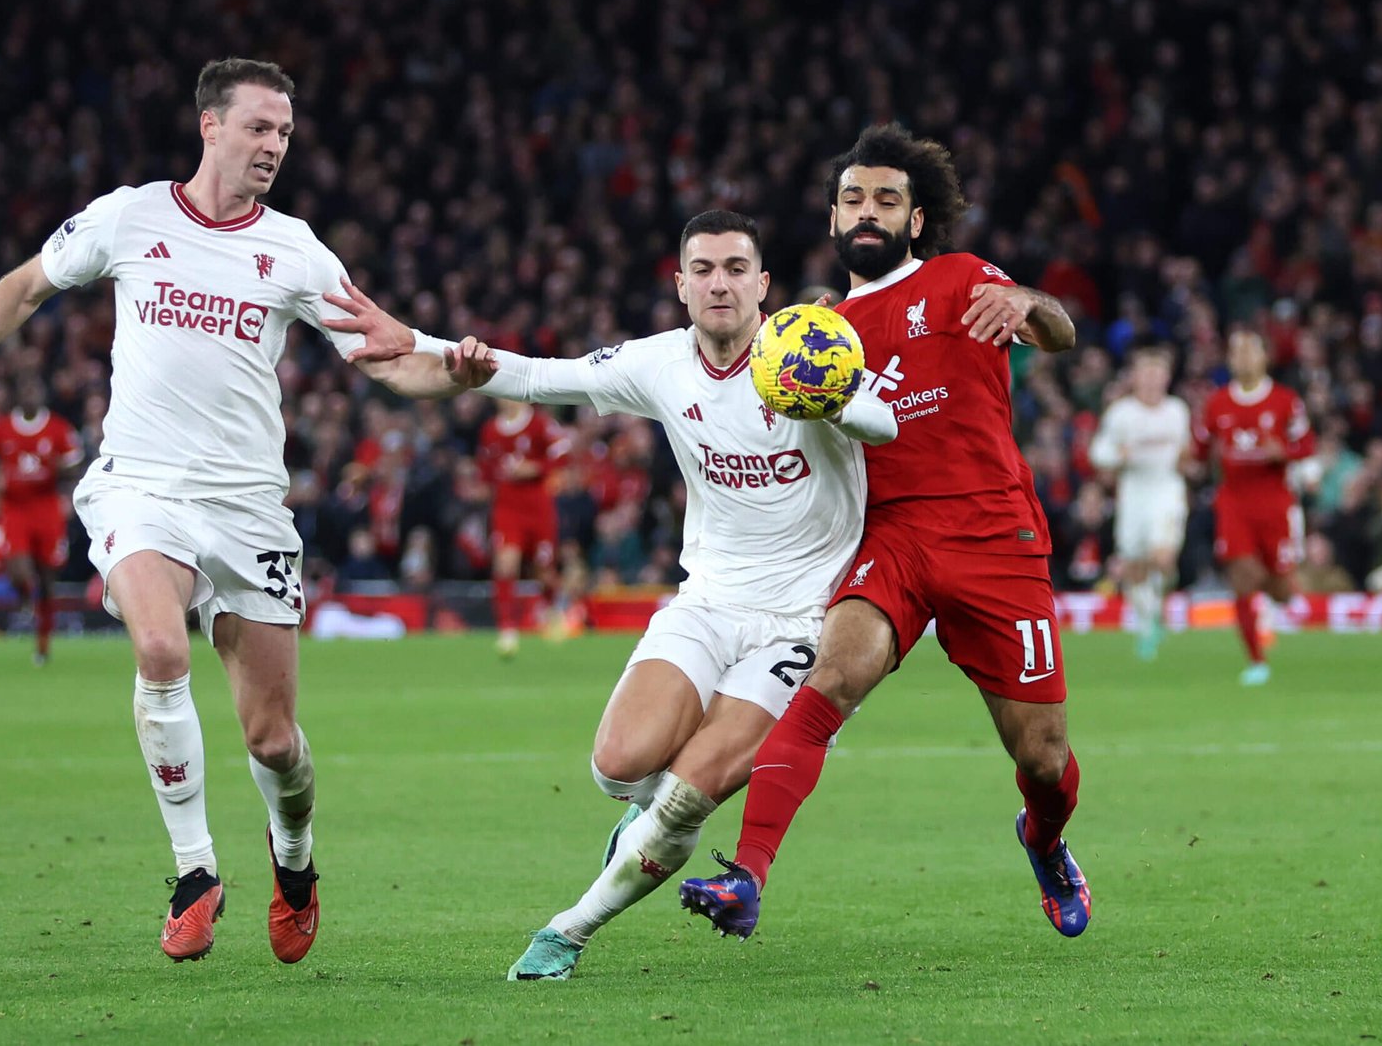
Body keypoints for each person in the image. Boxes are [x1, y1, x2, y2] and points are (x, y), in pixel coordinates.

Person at [0, 57, 466, 964]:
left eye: (284, 133)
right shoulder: (131, 215)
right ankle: (195, 872)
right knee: (158, 646)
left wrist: (452, 363)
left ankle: (295, 859)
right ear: (212, 127)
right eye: (260, 128)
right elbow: (22, 285)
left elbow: (385, 356)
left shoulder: (297, 249)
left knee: (274, 744)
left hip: (250, 509)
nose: (274, 146)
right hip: (142, 484)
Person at [322, 209, 899, 980]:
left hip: (800, 622)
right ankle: (648, 818)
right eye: (704, 269)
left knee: (690, 793)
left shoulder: (805, 354)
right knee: (619, 766)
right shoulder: (659, 363)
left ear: (764, 283)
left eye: (735, 268)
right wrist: (425, 345)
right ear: (681, 285)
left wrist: (827, 397)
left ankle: (569, 928)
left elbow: (883, 422)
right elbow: (534, 373)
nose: (719, 283)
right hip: (707, 602)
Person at [677, 123, 1091, 940]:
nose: (869, 212)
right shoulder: (813, 334)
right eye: (854, 199)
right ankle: (745, 877)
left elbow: (1061, 334)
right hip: (891, 536)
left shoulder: (961, 277)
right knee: (827, 679)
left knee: (1042, 758)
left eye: (887, 200)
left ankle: (1044, 840)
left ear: (916, 219)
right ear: (833, 220)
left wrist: (1028, 301)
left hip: (992, 533)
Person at [1191, 328, 1314, 685]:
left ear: (1265, 357)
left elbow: (1306, 445)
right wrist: (1192, 462)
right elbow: (1200, 450)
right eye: (1236, 351)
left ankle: (1277, 611)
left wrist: (1285, 454)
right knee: (1244, 577)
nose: (1242, 357)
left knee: (1279, 585)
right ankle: (1257, 660)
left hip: (1275, 502)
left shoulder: (1285, 401)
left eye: (1249, 350)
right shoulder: (1216, 404)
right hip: (1234, 502)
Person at [1087, 345, 1191, 659]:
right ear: (1134, 378)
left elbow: (1185, 452)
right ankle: (1148, 622)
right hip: (1133, 493)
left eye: (1157, 374)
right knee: (1134, 566)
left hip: (1165, 490)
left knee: (1162, 558)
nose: (1151, 380)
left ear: (1166, 378)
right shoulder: (1122, 413)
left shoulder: (1177, 411)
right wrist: (1119, 455)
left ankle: (1157, 607)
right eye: (1145, 374)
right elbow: (1098, 453)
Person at [0, 376, 83, 663]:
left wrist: (56, 469)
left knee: (46, 578)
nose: (30, 394)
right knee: (19, 569)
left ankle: (42, 645)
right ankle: (26, 600)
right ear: (18, 395)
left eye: (35, 388)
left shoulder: (57, 428)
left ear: (42, 394)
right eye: (25, 388)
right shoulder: (3, 428)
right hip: (15, 507)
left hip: (47, 506)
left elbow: (75, 463)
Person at [475, 399, 569, 656]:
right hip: (507, 507)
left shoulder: (539, 423)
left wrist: (535, 468)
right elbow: (485, 468)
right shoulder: (490, 430)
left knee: (543, 571)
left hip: (538, 508)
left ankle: (553, 610)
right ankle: (507, 631)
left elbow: (562, 452)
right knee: (506, 564)